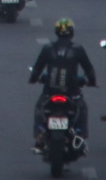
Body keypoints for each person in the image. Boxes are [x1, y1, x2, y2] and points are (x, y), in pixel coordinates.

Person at [28, 17, 98, 148]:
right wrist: (91, 82)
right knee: (82, 108)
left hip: (50, 92)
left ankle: (39, 135)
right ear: (72, 33)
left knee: (39, 108)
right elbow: (89, 69)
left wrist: (33, 80)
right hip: (72, 92)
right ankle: (80, 135)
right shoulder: (78, 49)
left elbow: (37, 69)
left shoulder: (48, 48)